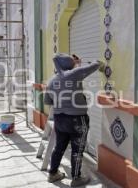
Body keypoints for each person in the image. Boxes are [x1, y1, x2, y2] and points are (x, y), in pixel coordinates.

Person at [44, 53, 105, 187]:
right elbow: (94, 65)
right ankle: (76, 178)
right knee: (77, 149)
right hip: (77, 120)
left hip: (59, 119)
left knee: (59, 147)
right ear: (68, 64)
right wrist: (100, 63)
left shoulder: (51, 81)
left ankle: (53, 173)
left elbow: (48, 101)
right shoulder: (73, 74)